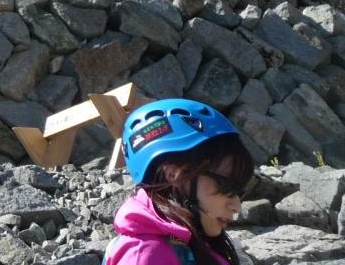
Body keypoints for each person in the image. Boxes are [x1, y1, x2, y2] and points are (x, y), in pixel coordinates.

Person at [106, 98, 252, 265]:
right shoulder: (145, 256)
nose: (237, 206)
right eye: (226, 186)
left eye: (238, 190)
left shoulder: (190, 240)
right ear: (174, 174)